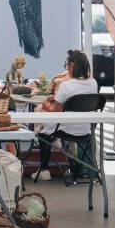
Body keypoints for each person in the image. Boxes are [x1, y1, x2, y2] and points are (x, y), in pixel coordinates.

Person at [33, 50, 98, 182]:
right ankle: (75, 166)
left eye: (67, 65)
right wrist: (57, 98)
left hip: (65, 129)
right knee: (51, 125)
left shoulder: (66, 86)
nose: (67, 69)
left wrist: (46, 105)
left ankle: (44, 170)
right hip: (85, 130)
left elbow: (56, 112)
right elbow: (78, 99)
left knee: (42, 132)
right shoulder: (93, 83)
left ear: (72, 65)